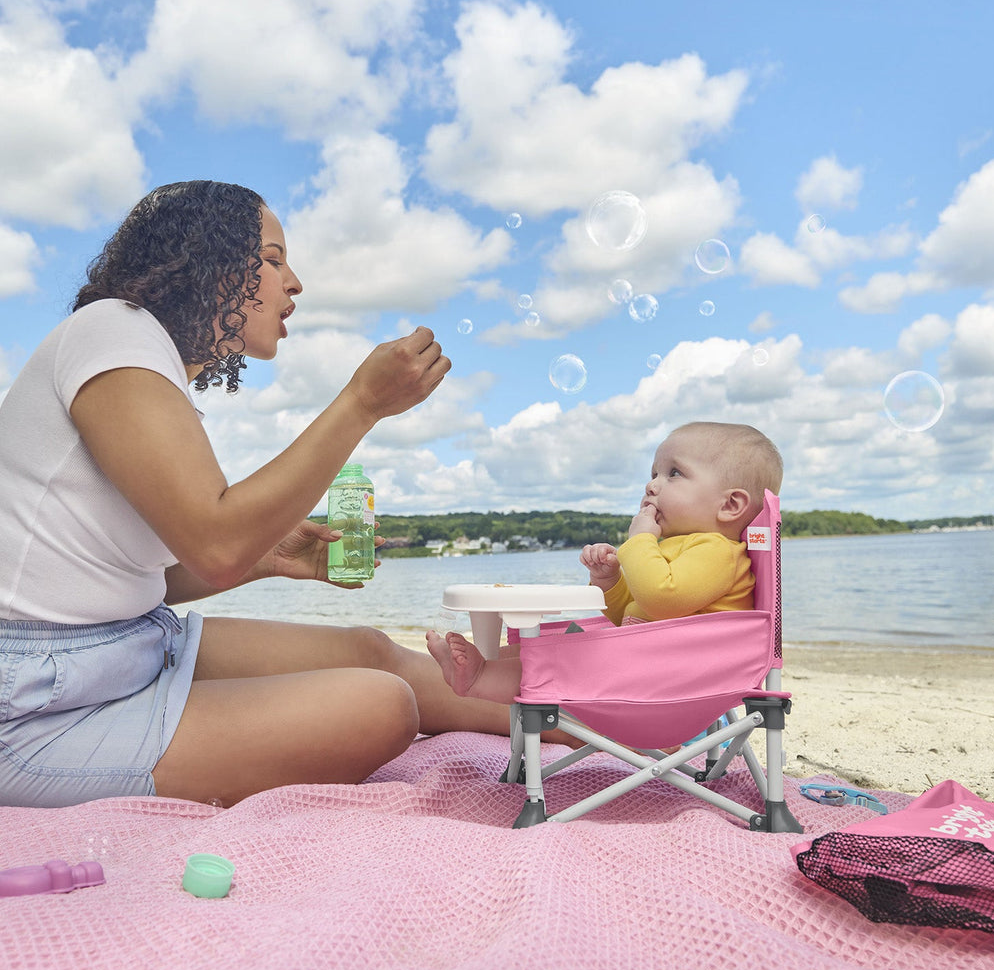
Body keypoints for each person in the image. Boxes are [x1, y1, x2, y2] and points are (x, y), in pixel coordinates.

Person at [0, 180, 513, 809]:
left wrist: (266, 556)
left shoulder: (141, 357)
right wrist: (362, 403)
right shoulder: (111, 331)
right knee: (379, 707)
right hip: (36, 703)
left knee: (371, 650)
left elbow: (132, 576)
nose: (293, 282)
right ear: (205, 264)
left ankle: (599, 719)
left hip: (130, 641)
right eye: (272, 260)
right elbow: (217, 543)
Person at [426, 421, 783, 703]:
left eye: (673, 473)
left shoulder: (718, 551)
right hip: (649, 666)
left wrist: (639, 540)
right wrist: (611, 583)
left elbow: (663, 597)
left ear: (730, 505)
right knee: (546, 648)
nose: (652, 486)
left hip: (672, 680)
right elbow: (632, 612)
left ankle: (479, 677)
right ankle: (485, 664)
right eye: (653, 473)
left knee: (564, 658)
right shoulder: (677, 547)